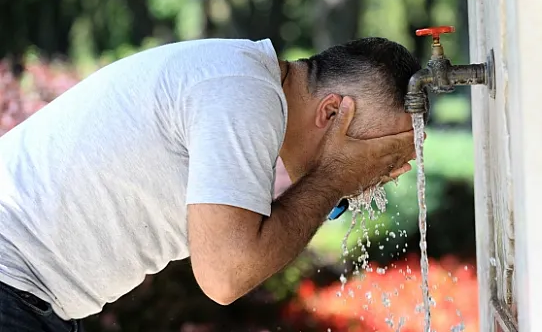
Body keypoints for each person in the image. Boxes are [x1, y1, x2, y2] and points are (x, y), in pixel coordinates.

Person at [0, 36, 422, 331]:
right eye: (376, 151)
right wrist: (335, 175)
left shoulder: (243, 79)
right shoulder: (245, 93)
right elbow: (225, 276)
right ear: (331, 113)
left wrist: (335, 175)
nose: (373, 175)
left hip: (29, 295)